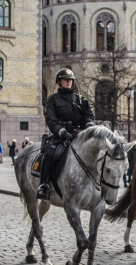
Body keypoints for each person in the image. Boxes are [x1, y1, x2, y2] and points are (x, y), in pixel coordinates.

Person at [37, 68, 94, 200]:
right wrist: (61, 131)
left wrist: (89, 124)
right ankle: (44, 185)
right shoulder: (53, 100)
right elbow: (50, 119)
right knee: (49, 154)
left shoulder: (80, 100)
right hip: (60, 136)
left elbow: (89, 115)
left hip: (79, 134)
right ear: (59, 82)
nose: (68, 82)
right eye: (65, 80)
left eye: (70, 80)